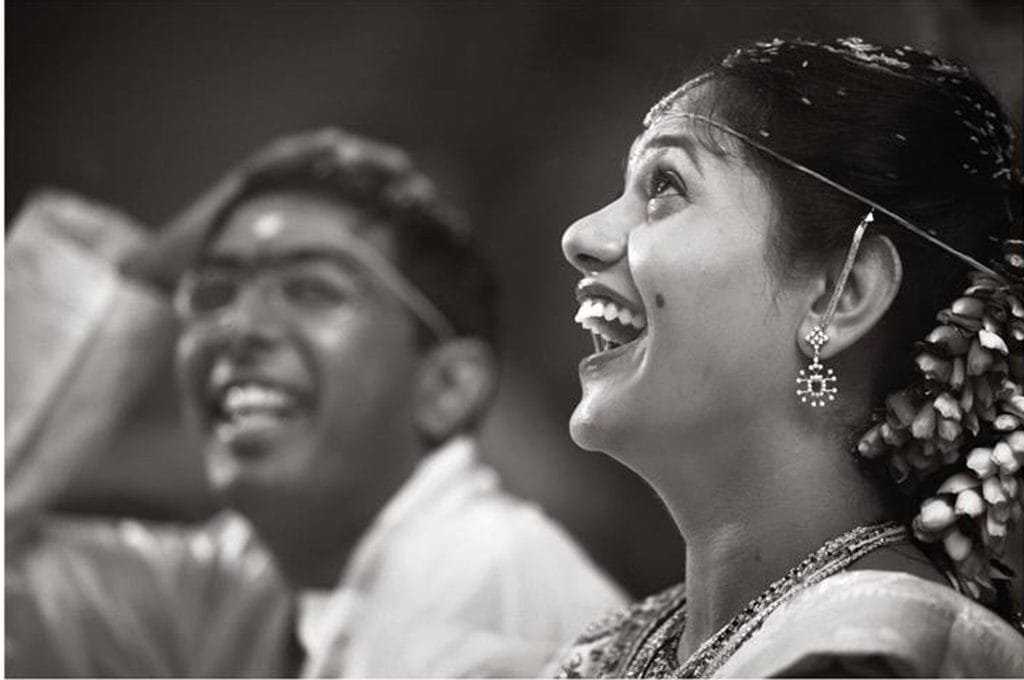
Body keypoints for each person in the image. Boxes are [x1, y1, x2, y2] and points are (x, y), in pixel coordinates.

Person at [5, 129, 626, 677]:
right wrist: (142, 275)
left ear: (445, 388)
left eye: (311, 289)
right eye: (215, 291)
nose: (238, 328)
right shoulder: (244, 582)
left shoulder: (494, 604)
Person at [551, 37, 1024, 677]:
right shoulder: (612, 647)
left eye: (665, 186)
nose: (581, 236)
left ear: (840, 294)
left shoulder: (874, 652)